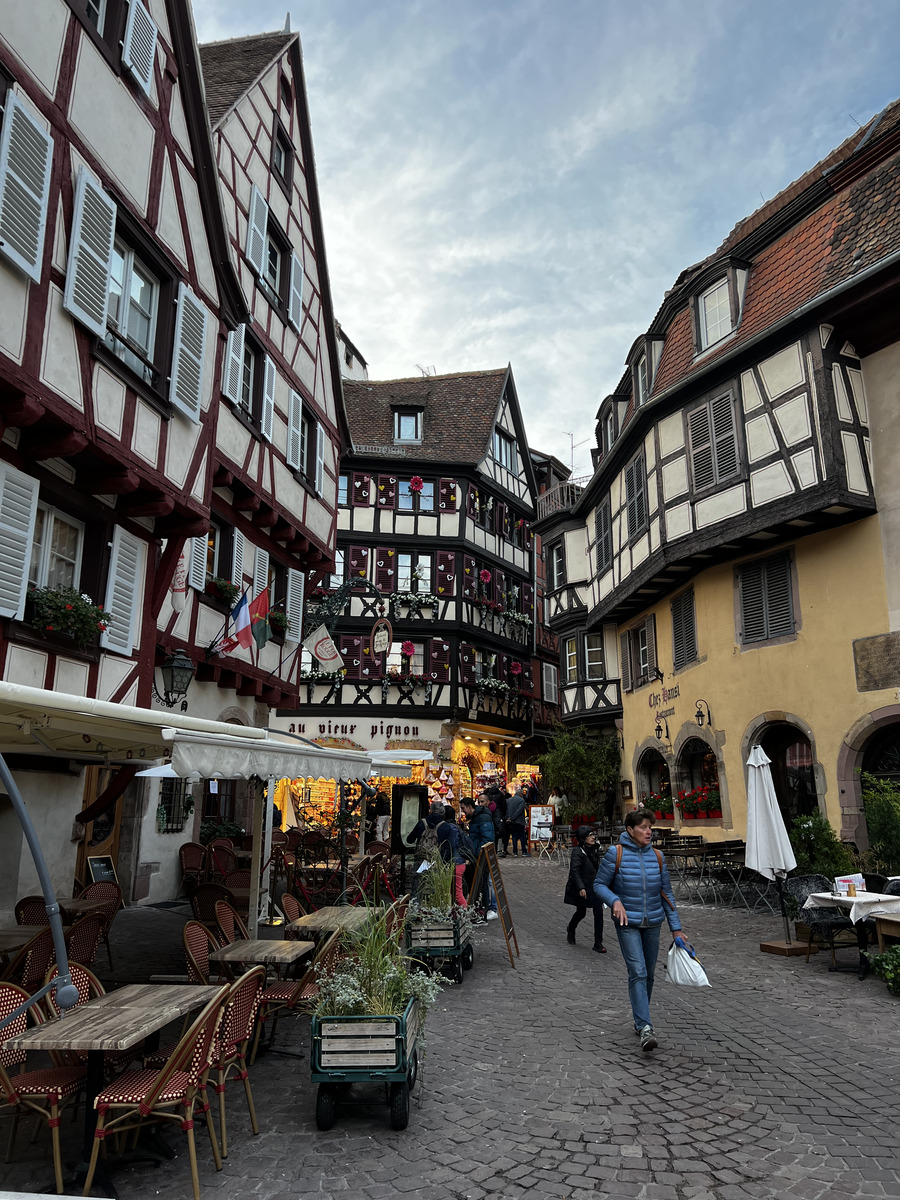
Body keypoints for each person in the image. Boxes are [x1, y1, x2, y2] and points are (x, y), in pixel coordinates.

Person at [593, 807, 688, 1053]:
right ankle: (646, 1027)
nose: (649, 831)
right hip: (627, 923)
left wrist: (676, 929)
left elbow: (666, 894)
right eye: (644, 827)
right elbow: (599, 884)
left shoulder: (657, 856)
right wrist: (614, 901)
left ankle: (639, 1019)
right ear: (630, 830)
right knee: (637, 971)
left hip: (653, 922)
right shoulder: (616, 853)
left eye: (650, 827)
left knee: (649, 974)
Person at [564, 826, 605, 952]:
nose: (593, 837)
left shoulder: (594, 850)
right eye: (589, 835)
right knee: (581, 912)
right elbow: (575, 871)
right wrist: (581, 887)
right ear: (583, 838)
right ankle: (571, 927)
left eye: (593, 835)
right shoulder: (578, 851)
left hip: (595, 886)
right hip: (582, 887)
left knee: (598, 913)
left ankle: (598, 943)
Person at [461, 796, 499, 920]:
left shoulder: (482, 818)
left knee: (483, 882)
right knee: (481, 882)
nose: (463, 812)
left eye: (463, 808)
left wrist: (478, 854)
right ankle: (482, 909)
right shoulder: (477, 817)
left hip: (481, 856)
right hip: (478, 855)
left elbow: (487, 839)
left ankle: (484, 910)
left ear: (469, 807)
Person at [436, 805, 468, 908]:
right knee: (454, 890)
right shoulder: (455, 826)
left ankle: (465, 913)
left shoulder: (450, 828)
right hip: (459, 861)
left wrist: (443, 859)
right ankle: (458, 913)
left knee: (457, 892)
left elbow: (450, 846)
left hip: (455, 862)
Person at [505, 784, 529, 857]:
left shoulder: (509, 800)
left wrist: (509, 818)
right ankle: (524, 852)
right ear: (521, 794)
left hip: (511, 822)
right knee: (522, 837)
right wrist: (513, 817)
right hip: (519, 821)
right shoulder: (521, 800)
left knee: (514, 837)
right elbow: (519, 811)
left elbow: (507, 810)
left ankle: (515, 852)